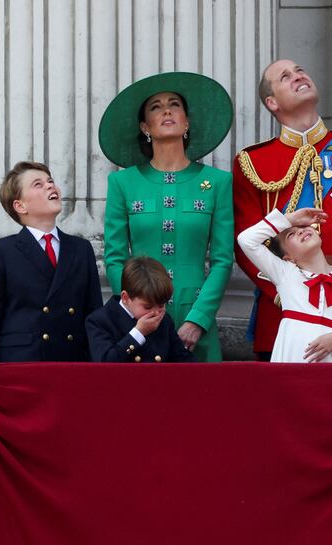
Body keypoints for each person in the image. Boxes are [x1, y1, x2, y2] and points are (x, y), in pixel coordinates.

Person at [233, 59, 332, 360]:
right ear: (272, 102)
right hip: (281, 312)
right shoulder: (252, 162)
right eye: (285, 76)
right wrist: (289, 292)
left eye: (300, 70)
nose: (298, 76)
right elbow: (244, 244)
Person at [99, 72, 234, 362]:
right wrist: (137, 308)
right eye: (156, 107)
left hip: (195, 313)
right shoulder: (122, 183)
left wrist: (198, 319)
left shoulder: (218, 182)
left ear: (186, 122)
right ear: (145, 127)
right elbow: (115, 257)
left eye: (174, 104)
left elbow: (223, 259)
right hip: (141, 320)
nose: (167, 110)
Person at [0, 161, 102, 362]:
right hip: (20, 364)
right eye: (38, 184)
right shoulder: (2, 251)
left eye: (50, 181)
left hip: (71, 362)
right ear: (20, 205)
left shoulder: (81, 249)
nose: (50, 186)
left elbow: (94, 314)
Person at [237, 207, 332, 362]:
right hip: (289, 365)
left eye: (303, 227)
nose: (301, 231)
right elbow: (246, 240)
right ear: (287, 257)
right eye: (291, 234)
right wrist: (289, 219)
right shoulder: (285, 274)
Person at [86, 256, 195, 363]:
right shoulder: (100, 321)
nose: (156, 312)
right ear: (125, 298)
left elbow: (182, 359)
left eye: (161, 305)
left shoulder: (164, 320)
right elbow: (105, 363)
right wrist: (138, 333)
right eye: (148, 306)